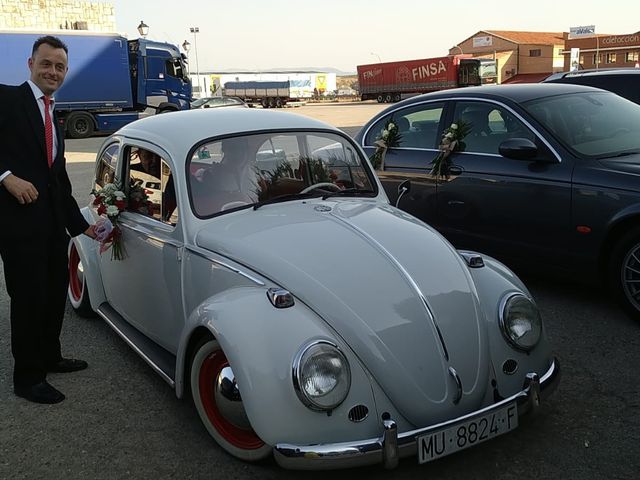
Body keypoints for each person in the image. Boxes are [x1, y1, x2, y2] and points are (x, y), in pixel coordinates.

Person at [0, 36, 96, 404]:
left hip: (53, 227)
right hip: (19, 228)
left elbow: (59, 181)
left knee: (54, 295)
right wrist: (5, 176)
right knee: (29, 300)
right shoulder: (8, 100)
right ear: (30, 64)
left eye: (59, 66)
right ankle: (27, 377)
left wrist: (84, 226)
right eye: (46, 64)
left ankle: (50, 357)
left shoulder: (54, 114)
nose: (52, 71)